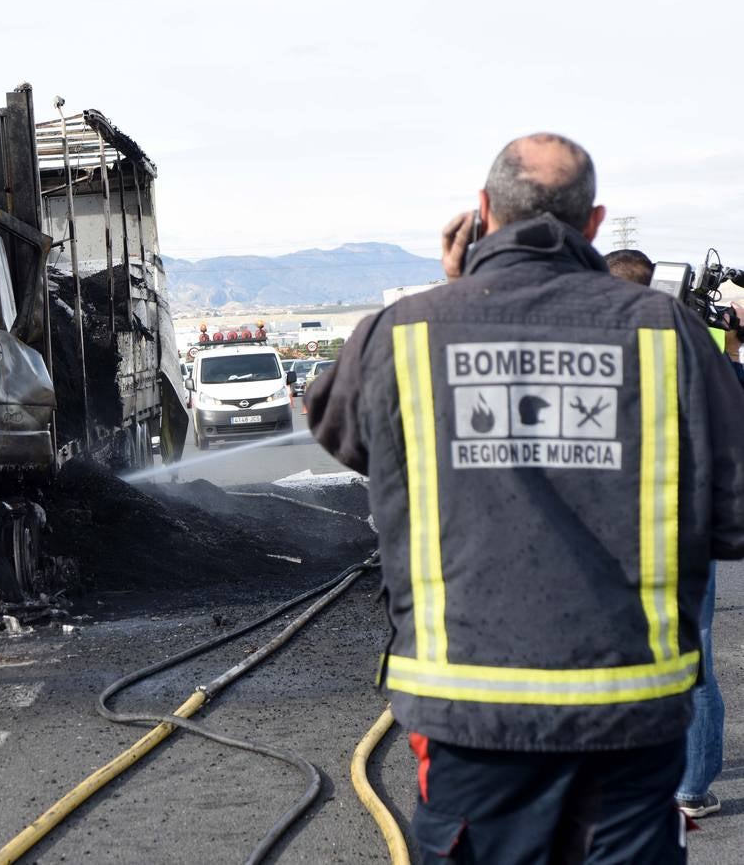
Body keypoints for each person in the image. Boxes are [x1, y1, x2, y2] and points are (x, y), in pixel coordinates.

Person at [307, 132, 744, 863]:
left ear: (481, 212)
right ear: (594, 225)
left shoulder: (407, 330)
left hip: (470, 713)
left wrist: (457, 290)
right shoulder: (664, 333)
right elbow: (734, 517)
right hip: (629, 711)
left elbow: (347, 435)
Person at [608, 251, 732, 819]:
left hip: (610, 533)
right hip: (685, 530)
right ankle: (688, 788)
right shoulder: (692, 351)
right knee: (693, 657)